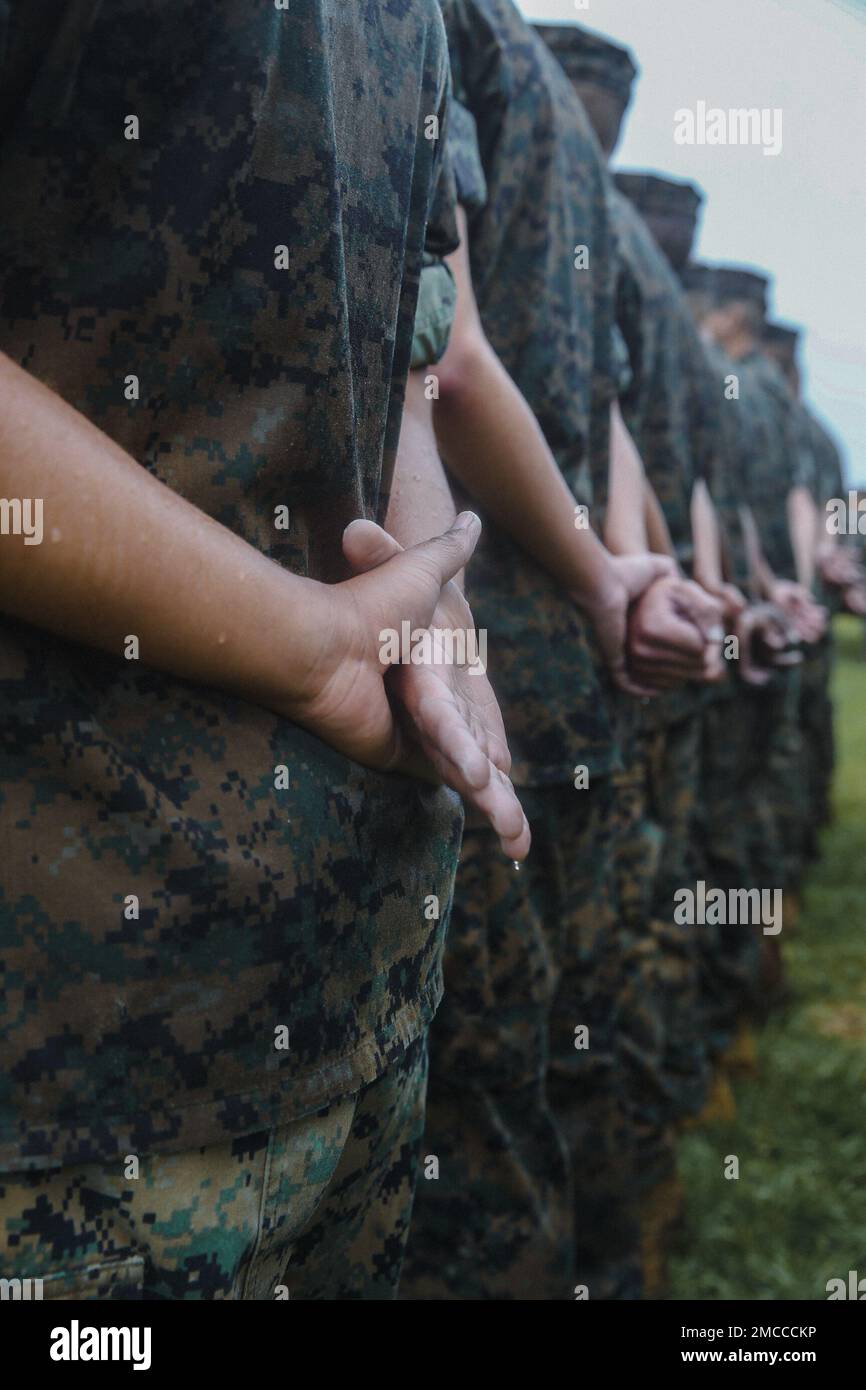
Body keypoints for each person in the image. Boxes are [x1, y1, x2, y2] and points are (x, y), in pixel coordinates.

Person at [0, 0, 528, 1300]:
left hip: (324, 975)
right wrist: (308, 636)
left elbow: (415, 324)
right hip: (71, 1038)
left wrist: (421, 605)